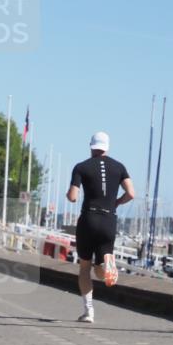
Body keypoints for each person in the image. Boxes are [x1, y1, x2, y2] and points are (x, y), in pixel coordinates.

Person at [66, 132, 134, 323]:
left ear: (91, 146)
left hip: (88, 219)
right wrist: (117, 203)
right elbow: (131, 193)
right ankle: (106, 267)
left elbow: (72, 197)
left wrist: (68, 193)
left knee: (85, 268)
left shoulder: (81, 167)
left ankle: (89, 312)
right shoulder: (119, 167)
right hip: (108, 220)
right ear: (107, 146)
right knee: (99, 266)